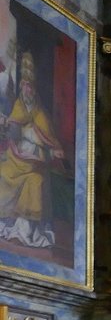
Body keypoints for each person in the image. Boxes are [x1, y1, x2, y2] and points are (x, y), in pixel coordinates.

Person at [0, 52, 65, 249]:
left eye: (30, 86)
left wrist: (52, 149)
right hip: (16, 157)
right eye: (24, 86)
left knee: (35, 182)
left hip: (35, 162)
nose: (27, 90)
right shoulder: (18, 106)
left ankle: (27, 230)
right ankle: (8, 224)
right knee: (3, 173)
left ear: (34, 89)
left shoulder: (40, 113)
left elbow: (50, 141)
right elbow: (12, 132)